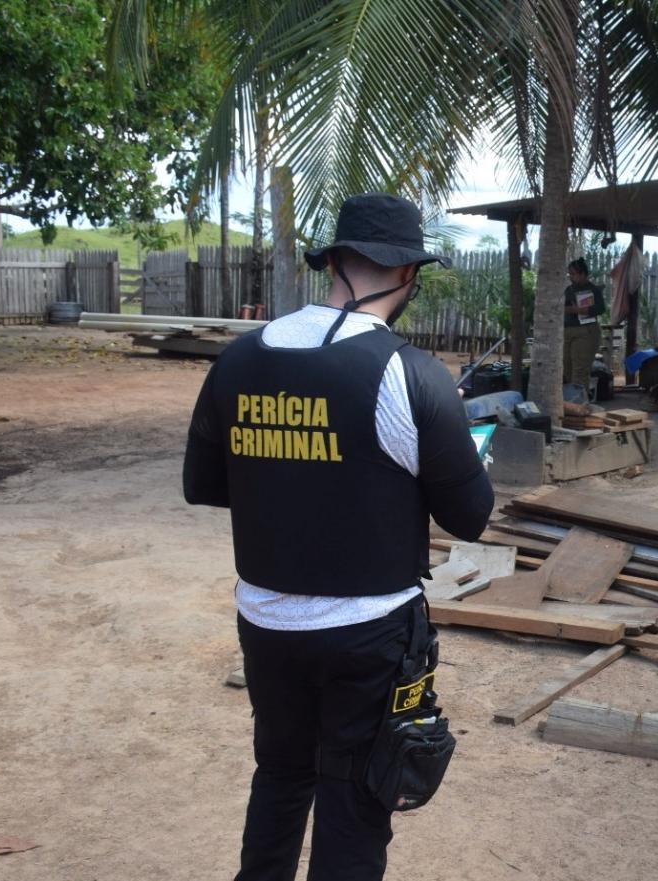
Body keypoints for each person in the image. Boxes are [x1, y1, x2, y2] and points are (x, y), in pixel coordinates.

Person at [182, 192, 495, 881]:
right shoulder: (407, 373)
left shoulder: (238, 361)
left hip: (265, 620)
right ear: (406, 273)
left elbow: (202, 484)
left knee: (281, 772)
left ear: (333, 262)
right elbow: (470, 515)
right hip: (368, 629)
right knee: (354, 793)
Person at [562, 257, 606, 390]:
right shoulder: (569, 290)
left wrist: (580, 310)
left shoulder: (594, 290)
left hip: (586, 331)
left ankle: (579, 402)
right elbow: (562, 306)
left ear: (583, 274)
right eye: (569, 274)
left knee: (580, 370)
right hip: (567, 330)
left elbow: (600, 309)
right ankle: (570, 401)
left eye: (573, 274)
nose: (571, 277)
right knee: (566, 369)